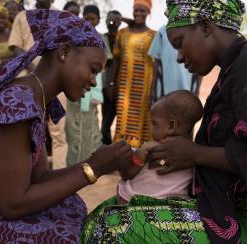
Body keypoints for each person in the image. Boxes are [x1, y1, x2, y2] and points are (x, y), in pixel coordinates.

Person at [0, 9, 132, 243]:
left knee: (68, 206)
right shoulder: (19, 101)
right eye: (93, 69)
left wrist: (93, 163)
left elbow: (39, 177)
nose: (94, 81)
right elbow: (12, 204)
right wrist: (93, 169)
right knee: (59, 234)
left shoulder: (37, 96)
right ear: (64, 52)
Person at [82, 0, 247, 243]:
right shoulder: (232, 70)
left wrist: (196, 154)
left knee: (105, 229)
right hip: (217, 202)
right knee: (106, 212)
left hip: (234, 216)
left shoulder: (243, 68)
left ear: (205, 27)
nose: (179, 58)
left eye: (179, 44)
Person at [8, 0, 67, 170]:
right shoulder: (22, 16)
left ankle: (59, 176)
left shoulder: (62, 17)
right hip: (27, 78)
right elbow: (16, 47)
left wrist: (50, 73)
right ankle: (24, 173)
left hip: (57, 79)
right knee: (24, 129)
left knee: (58, 132)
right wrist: (36, 71)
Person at [117, 90, 203, 204]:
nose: (151, 128)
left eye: (154, 124)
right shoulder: (194, 154)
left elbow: (127, 174)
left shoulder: (151, 149)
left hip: (134, 202)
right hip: (172, 211)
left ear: (172, 126)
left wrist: (139, 154)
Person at [112, 0, 156, 148]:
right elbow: (116, 59)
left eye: (142, 10)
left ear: (148, 12)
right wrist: (112, 83)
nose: (138, 13)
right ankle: (121, 155)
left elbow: (156, 64)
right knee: (123, 120)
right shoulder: (122, 33)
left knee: (140, 121)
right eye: (136, 10)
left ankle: (138, 158)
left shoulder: (152, 35)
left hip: (144, 87)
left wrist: (153, 90)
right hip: (125, 86)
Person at [65, 4, 103, 165]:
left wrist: (96, 92)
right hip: (75, 85)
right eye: (86, 18)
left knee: (91, 127)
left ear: (98, 20)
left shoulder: (101, 38)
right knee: (73, 127)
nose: (89, 21)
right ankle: (73, 164)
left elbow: (101, 68)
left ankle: (90, 162)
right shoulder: (75, 37)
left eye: (92, 19)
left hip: (91, 88)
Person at [148, 25, 196, 98]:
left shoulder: (192, 31)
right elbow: (156, 62)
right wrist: (153, 89)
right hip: (164, 91)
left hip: (187, 90)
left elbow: (199, 61)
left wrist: (197, 90)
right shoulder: (162, 31)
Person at [101, 10, 122, 145]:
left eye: (115, 21)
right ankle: (107, 144)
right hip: (104, 84)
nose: (112, 23)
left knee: (118, 119)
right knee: (106, 119)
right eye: (110, 21)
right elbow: (107, 59)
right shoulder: (102, 38)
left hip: (121, 85)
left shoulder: (123, 37)